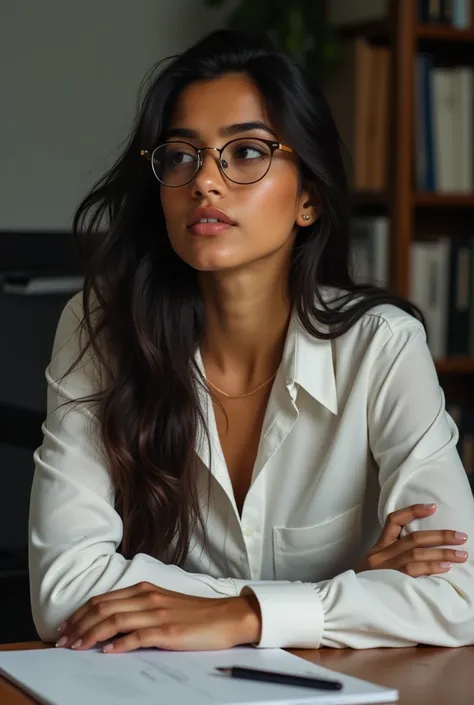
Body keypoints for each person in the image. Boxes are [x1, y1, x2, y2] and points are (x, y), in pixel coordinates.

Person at [30, 29, 474, 653]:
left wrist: (244, 617)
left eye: (245, 153)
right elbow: (64, 593)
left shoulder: (382, 348)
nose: (204, 182)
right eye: (181, 156)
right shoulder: (101, 327)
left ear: (308, 200)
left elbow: (460, 595)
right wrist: (343, 594)